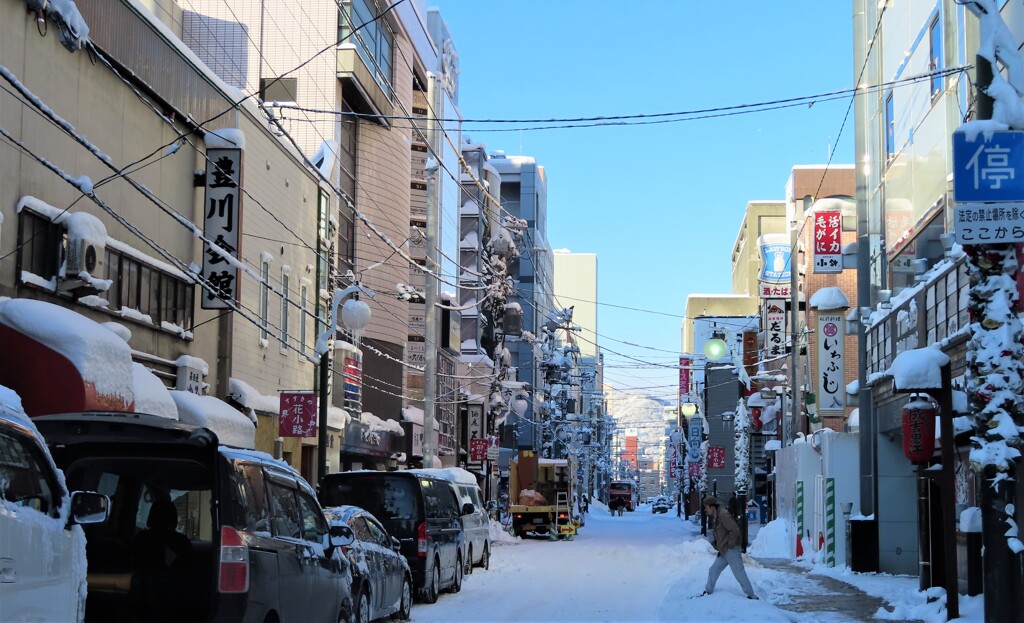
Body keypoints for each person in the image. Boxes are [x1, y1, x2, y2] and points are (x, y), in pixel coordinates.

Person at [698, 496, 758, 600]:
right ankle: (708, 591)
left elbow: (734, 530)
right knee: (713, 570)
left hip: (731, 549)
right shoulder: (716, 516)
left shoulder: (723, 515)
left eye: (706, 507)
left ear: (712, 506)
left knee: (739, 572)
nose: (705, 510)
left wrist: (731, 545)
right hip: (724, 550)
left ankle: (752, 595)